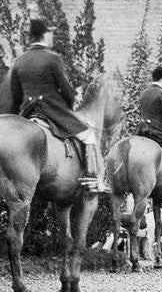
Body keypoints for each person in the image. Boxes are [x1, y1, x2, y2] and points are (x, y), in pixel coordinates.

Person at [10, 17, 106, 193]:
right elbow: (67, 90)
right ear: (45, 35)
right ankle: (92, 180)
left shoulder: (19, 60)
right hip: (52, 110)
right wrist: (70, 105)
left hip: (27, 112)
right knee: (88, 135)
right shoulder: (52, 58)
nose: (52, 36)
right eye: (50, 33)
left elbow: (16, 96)